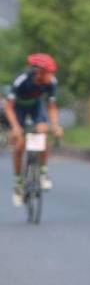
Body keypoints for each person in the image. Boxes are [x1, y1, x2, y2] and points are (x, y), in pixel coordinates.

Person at [6, 53, 63, 206]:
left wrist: (55, 125)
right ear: (39, 72)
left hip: (36, 107)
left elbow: (51, 106)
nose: (51, 77)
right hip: (18, 108)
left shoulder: (51, 82)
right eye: (49, 73)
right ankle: (18, 184)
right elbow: (8, 107)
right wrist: (15, 127)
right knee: (19, 145)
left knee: (42, 133)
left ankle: (43, 173)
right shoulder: (21, 80)